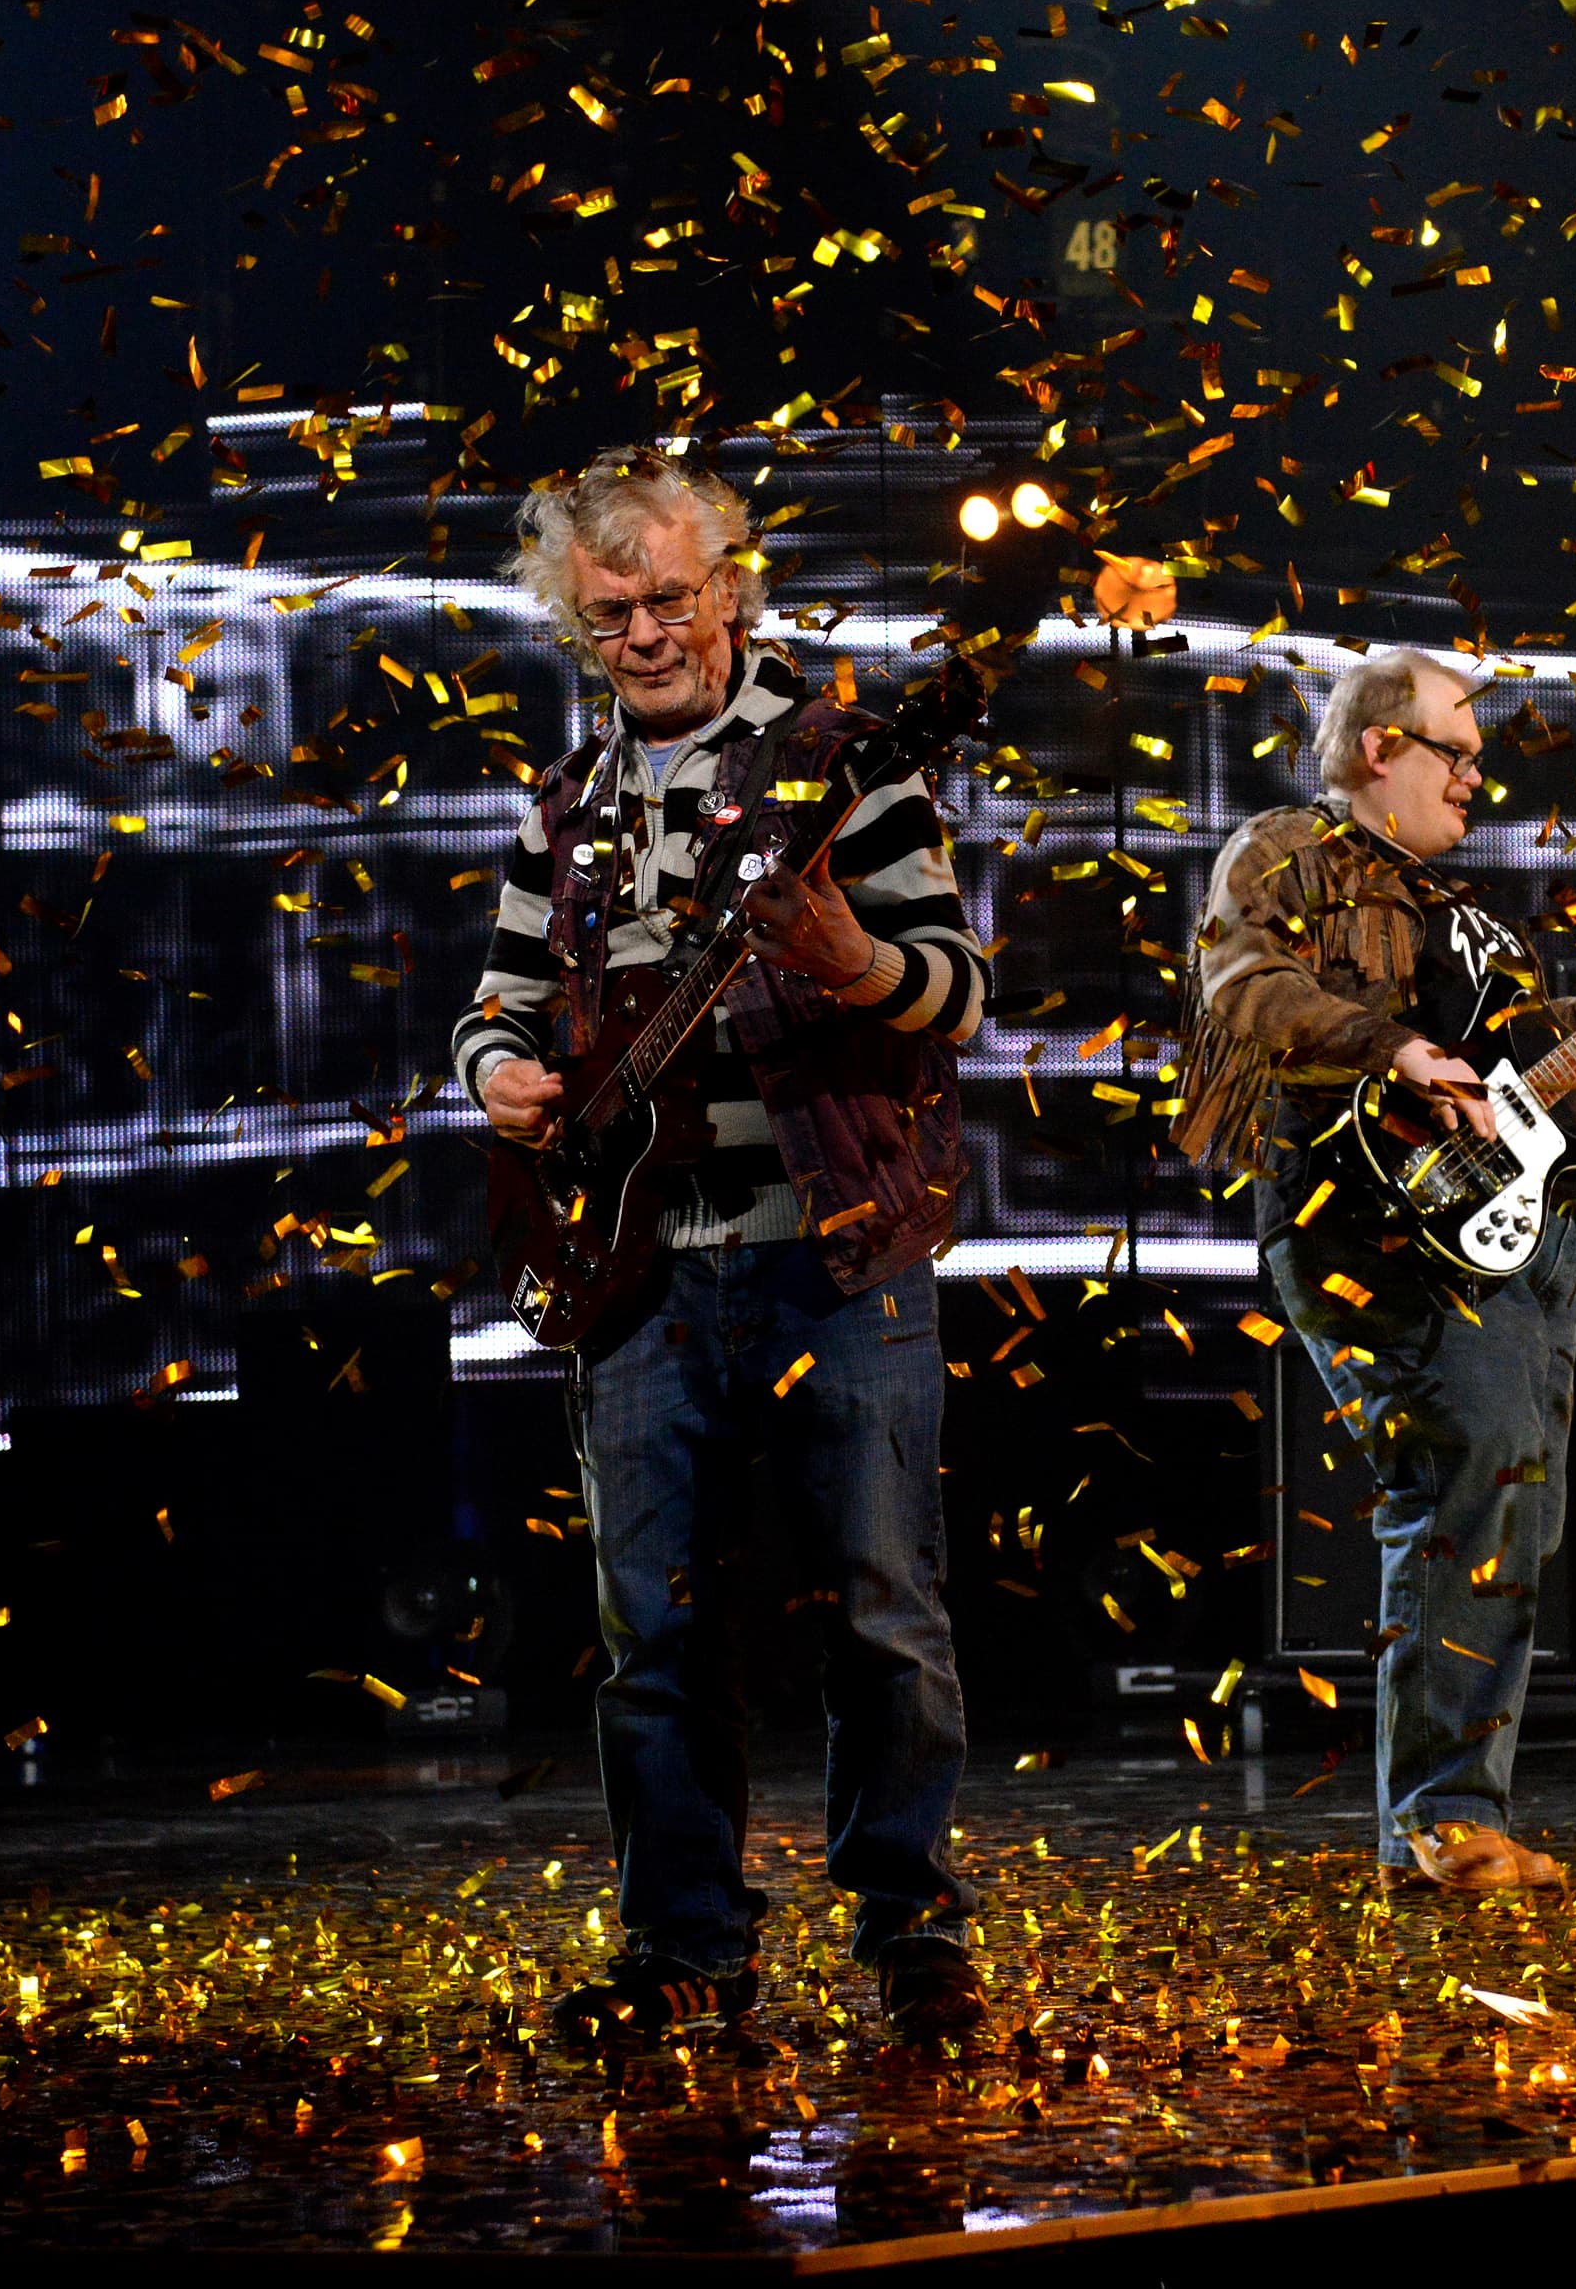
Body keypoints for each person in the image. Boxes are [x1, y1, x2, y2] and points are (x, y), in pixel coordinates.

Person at [456, 448, 993, 2049]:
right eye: (610, 609)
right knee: (655, 1629)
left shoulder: (849, 759)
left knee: (884, 1608)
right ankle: (686, 1940)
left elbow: (956, 989)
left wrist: (847, 960)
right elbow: (494, 1004)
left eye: (671, 597)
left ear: (732, 585)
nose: (646, 631)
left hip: (833, 1255)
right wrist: (495, 1069)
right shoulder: (568, 807)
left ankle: (909, 1930)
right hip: (637, 1271)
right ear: (574, 619)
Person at [1176, 648, 1576, 1890]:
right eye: (1458, 751)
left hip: (1510, 1230)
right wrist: (1393, 1049)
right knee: (1466, 1472)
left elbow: (1526, 1074)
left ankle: (1453, 1817)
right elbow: (1244, 985)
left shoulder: (1460, 911)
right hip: (1362, 1223)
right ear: (1381, 748)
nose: (1478, 777)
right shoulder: (1283, 852)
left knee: (1508, 1508)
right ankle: (1440, 1816)